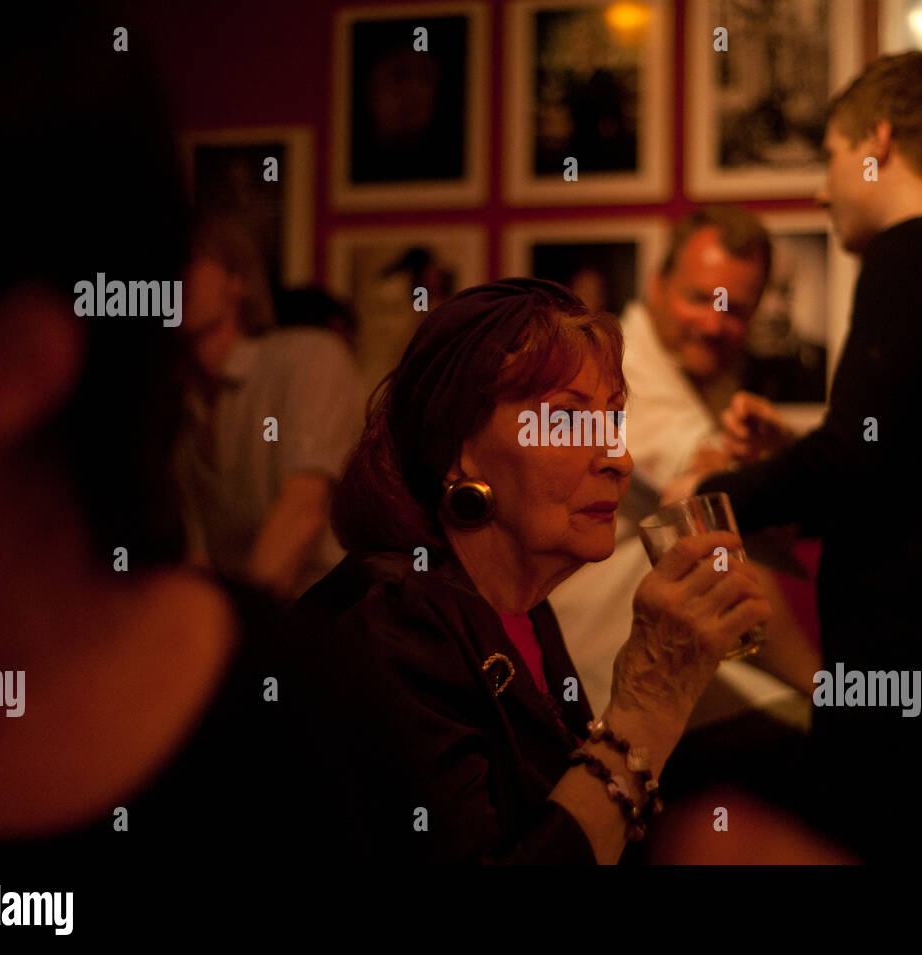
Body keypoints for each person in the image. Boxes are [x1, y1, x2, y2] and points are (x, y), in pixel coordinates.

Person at [0, 3, 353, 933]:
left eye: (188, 262)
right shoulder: (170, 404)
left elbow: (303, 505)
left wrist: (227, 649)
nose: (164, 282)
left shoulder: (301, 359)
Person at [685, 52, 922, 859]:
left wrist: (708, 494)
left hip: (911, 669)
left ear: (877, 143)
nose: (820, 190)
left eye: (827, 154)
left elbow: (854, 458)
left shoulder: (917, 250)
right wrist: (796, 457)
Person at [290, 278, 773, 863]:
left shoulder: (522, 607)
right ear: (458, 444)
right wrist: (648, 705)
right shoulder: (387, 624)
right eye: (567, 422)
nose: (618, 460)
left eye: (614, 420)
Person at [547, 207, 820, 733]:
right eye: (699, 298)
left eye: (735, 309)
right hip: (591, 693)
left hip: (667, 680)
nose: (714, 324)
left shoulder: (710, 377)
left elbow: (761, 523)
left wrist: (770, 460)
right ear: (656, 284)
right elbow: (705, 491)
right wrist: (824, 689)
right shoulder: (614, 370)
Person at [176, 219, 367, 601]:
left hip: (329, 622)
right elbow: (194, 553)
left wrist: (236, 636)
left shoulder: (309, 356)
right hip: (251, 626)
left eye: (187, 259)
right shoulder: (179, 401)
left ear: (236, 281)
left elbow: (302, 510)